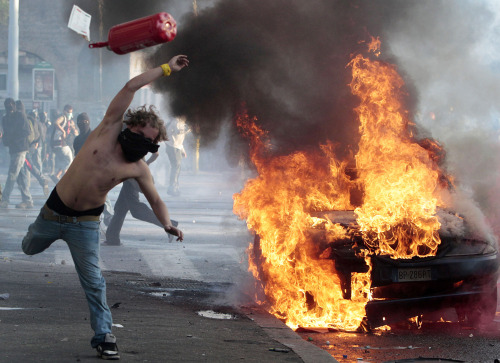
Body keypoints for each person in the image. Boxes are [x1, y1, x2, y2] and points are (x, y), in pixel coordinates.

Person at [21, 54, 188, 360]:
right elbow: (130, 86)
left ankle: (104, 336)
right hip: (51, 212)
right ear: (132, 124)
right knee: (29, 247)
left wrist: (167, 223)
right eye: (140, 135)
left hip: (84, 224)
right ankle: (34, 232)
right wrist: (166, 69)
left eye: (149, 142)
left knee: (95, 283)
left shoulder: (137, 167)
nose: (141, 143)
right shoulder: (108, 127)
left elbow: (156, 200)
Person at [103, 152, 178, 246]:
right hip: (131, 176)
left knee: (136, 210)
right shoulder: (139, 139)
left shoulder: (133, 140)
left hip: (132, 176)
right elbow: (156, 154)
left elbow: (156, 153)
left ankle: (169, 225)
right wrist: (147, 163)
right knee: (120, 208)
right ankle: (112, 238)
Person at [73, 112, 114, 225]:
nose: (83, 124)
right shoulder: (77, 140)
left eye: (85, 122)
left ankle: (109, 216)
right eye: (80, 122)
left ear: (89, 122)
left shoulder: (95, 136)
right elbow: (76, 157)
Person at [0, 99, 34, 209]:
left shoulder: (20, 116)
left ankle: (5, 199)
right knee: (20, 176)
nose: (9, 107)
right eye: (7, 105)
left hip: (21, 149)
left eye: (11, 105)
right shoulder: (5, 118)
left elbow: (27, 132)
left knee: (12, 174)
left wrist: (13, 139)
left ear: (14, 106)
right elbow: (5, 133)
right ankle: (27, 200)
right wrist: (6, 141)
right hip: (13, 149)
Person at [25, 110, 49, 197]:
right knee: (28, 165)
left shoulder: (28, 121)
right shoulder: (35, 122)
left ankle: (41, 178)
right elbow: (40, 135)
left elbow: (40, 135)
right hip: (34, 145)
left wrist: (39, 145)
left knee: (29, 164)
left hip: (27, 147)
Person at [165, 115, 191, 196]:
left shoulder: (182, 122)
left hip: (177, 147)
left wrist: (182, 150)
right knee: (176, 167)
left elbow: (180, 138)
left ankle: (174, 188)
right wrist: (188, 130)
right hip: (172, 146)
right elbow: (178, 132)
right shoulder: (175, 121)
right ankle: (172, 188)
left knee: (177, 168)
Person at [50, 104, 76, 182]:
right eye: (68, 112)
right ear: (64, 111)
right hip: (59, 142)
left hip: (61, 143)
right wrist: (63, 131)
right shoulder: (63, 117)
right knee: (69, 160)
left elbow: (73, 129)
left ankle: (59, 176)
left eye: (71, 112)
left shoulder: (68, 120)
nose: (70, 114)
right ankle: (57, 175)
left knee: (65, 161)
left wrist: (73, 128)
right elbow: (56, 123)